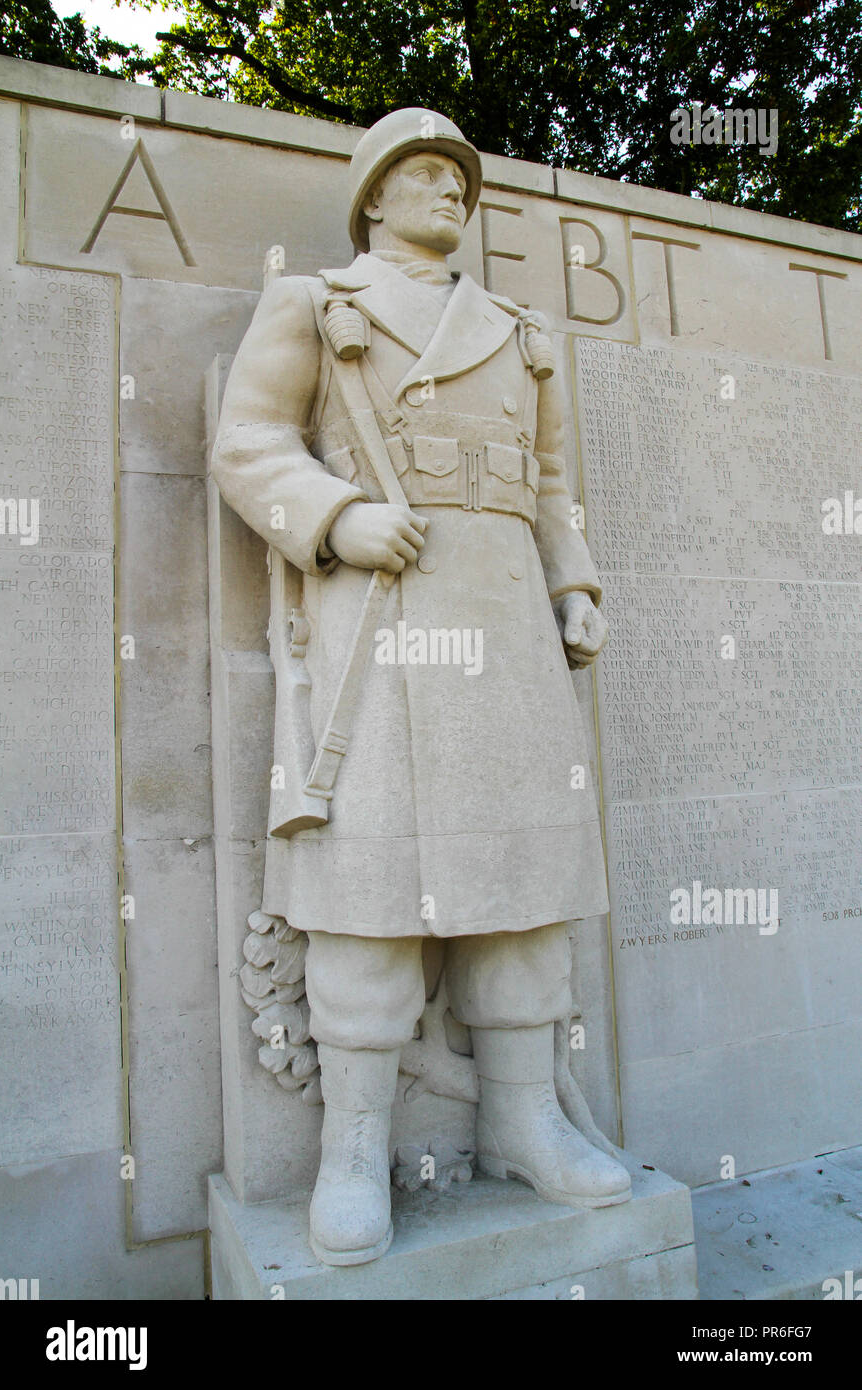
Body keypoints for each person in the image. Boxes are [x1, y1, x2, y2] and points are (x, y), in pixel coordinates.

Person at [212, 108, 631, 1267]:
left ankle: (524, 1116)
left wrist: (571, 584)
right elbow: (247, 442)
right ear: (371, 196)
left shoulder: (518, 329)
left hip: (504, 620)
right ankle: (353, 1146)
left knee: (522, 870)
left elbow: (547, 481)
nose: (446, 189)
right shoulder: (316, 302)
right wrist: (340, 519)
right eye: (420, 173)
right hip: (377, 624)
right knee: (373, 876)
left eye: (458, 176)